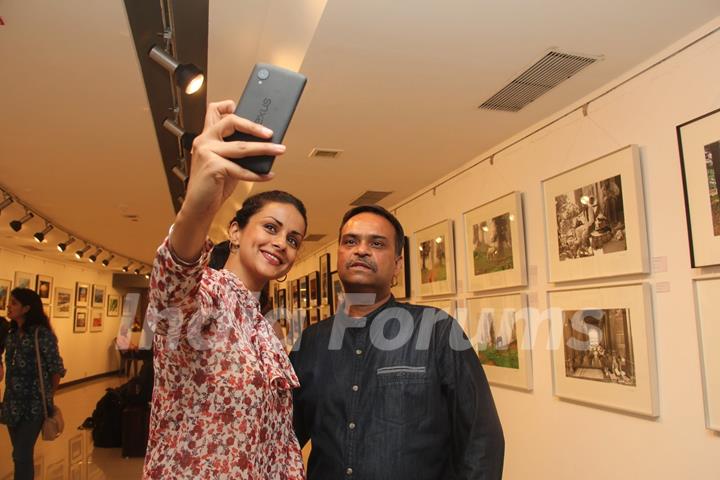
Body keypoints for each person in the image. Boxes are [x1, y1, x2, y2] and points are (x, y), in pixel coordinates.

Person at [142, 100, 307, 479]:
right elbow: (174, 285)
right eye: (271, 227)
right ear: (235, 231)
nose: (282, 243)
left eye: (293, 239)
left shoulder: (264, 326)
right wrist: (199, 206)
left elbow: (277, 438)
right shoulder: (208, 295)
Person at [290, 205, 505, 479]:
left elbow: (481, 437)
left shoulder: (436, 330)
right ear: (340, 256)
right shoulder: (312, 342)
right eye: (350, 241)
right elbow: (284, 436)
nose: (361, 250)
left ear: (398, 265)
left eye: (377, 243)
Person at [1, 288, 66, 480]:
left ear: (27, 308)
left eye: (14, 303)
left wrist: (47, 396)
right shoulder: (11, 335)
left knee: (20, 454)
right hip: (12, 403)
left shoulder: (41, 335)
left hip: (34, 405)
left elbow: (56, 369)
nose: (9, 306)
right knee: (20, 454)